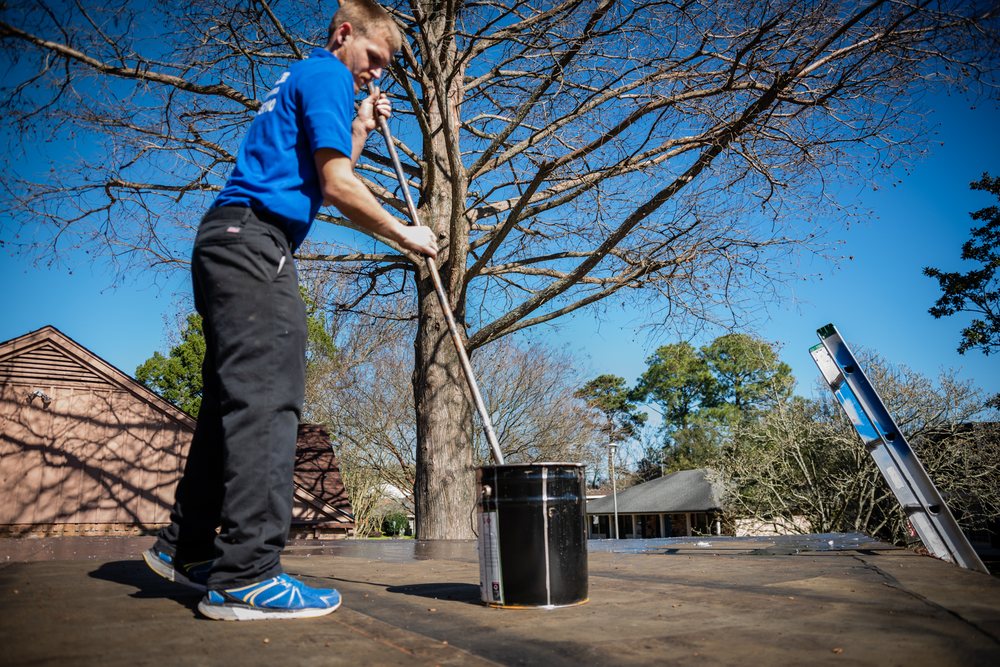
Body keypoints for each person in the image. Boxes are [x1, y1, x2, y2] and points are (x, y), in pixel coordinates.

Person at [142, 0, 436, 621]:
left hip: (225, 241)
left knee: (231, 401)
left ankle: (187, 549)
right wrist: (406, 233)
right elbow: (337, 187)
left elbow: (326, 168)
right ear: (344, 34)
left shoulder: (305, 78)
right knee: (269, 399)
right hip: (254, 244)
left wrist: (358, 126)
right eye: (373, 60)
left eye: (384, 70)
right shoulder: (327, 72)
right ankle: (247, 574)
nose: (376, 75)